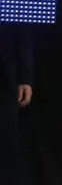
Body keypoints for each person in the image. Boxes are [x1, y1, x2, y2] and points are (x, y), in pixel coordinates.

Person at [0, 23, 33, 185]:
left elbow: (22, 30)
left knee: (7, 140)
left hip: (5, 72)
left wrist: (25, 76)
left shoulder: (9, 0)